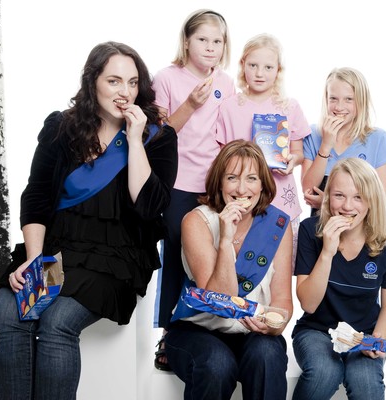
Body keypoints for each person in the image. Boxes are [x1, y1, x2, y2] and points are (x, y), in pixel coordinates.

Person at [0, 41, 178, 400]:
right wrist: (34, 260)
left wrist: (135, 141)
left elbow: (149, 207)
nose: (125, 92)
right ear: (93, 82)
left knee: (58, 320)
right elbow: (37, 197)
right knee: (11, 313)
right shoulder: (62, 128)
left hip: (116, 258)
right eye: (114, 81)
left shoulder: (158, 137)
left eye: (133, 82)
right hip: (58, 251)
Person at [164, 139, 293, 399]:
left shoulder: (278, 225)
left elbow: (282, 299)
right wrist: (225, 239)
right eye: (232, 177)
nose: (242, 188)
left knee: (267, 355)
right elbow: (218, 300)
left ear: (263, 184)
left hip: (252, 331)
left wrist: (275, 325)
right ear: (219, 183)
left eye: (252, 179)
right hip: (197, 331)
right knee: (217, 364)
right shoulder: (196, 221)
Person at [151, 9, 235, 370]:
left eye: (218, 41)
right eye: (203, 39)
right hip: (177, 182)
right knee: (176, 255)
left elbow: (229, 133)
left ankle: (209, 328)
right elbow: (156, 136)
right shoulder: (166, 78)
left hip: (214, 184)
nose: (211, 48)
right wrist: (191, 104)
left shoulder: (227, 82)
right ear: (186, 41)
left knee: (212, 255)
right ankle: (170, 334)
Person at [292, 157, 386, 400]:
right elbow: (308, 304)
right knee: (325, 372)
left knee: (366, 384)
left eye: (358, 197)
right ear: (327, 198)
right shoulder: (310, 230)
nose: (347, 206)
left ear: (372, 200)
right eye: (338, 196)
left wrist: (376, 342)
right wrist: (327, 251)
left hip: (363, 335)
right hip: (317, 330)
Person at [216, 33, 309, 264]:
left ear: (278, 70)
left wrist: (292, 161)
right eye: (253, 65)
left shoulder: (289, 106)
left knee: (279, 269)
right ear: (242, 65)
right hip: (241, 200)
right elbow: (220, 158)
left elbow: (299, 152)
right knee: (241, 266)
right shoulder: (229, 107)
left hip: (280, 198)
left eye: (268, 67)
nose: (259, 73)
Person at [301, 67, 386, 215]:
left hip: (362, 231)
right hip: (319, 228)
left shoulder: (378, 139)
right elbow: (307, 190)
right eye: (333, 98)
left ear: (360, 102)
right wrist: (325, 146)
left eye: (348, 99)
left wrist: (327, 203)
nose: (339, 107)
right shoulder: (313, 134)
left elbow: (382, 201)